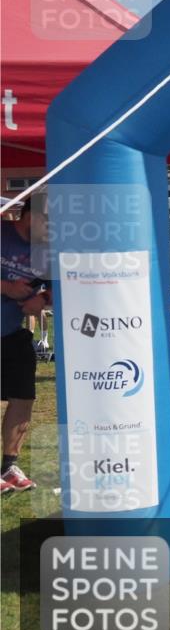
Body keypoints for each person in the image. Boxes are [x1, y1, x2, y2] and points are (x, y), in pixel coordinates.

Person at [1, 197, 48, 494]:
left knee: (23, 397)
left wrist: (41, 300)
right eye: (48, 222)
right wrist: (7, 287)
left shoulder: (46, 251)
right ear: (28, 216)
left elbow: (59, 286)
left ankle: (9, 465)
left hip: (11, 333)